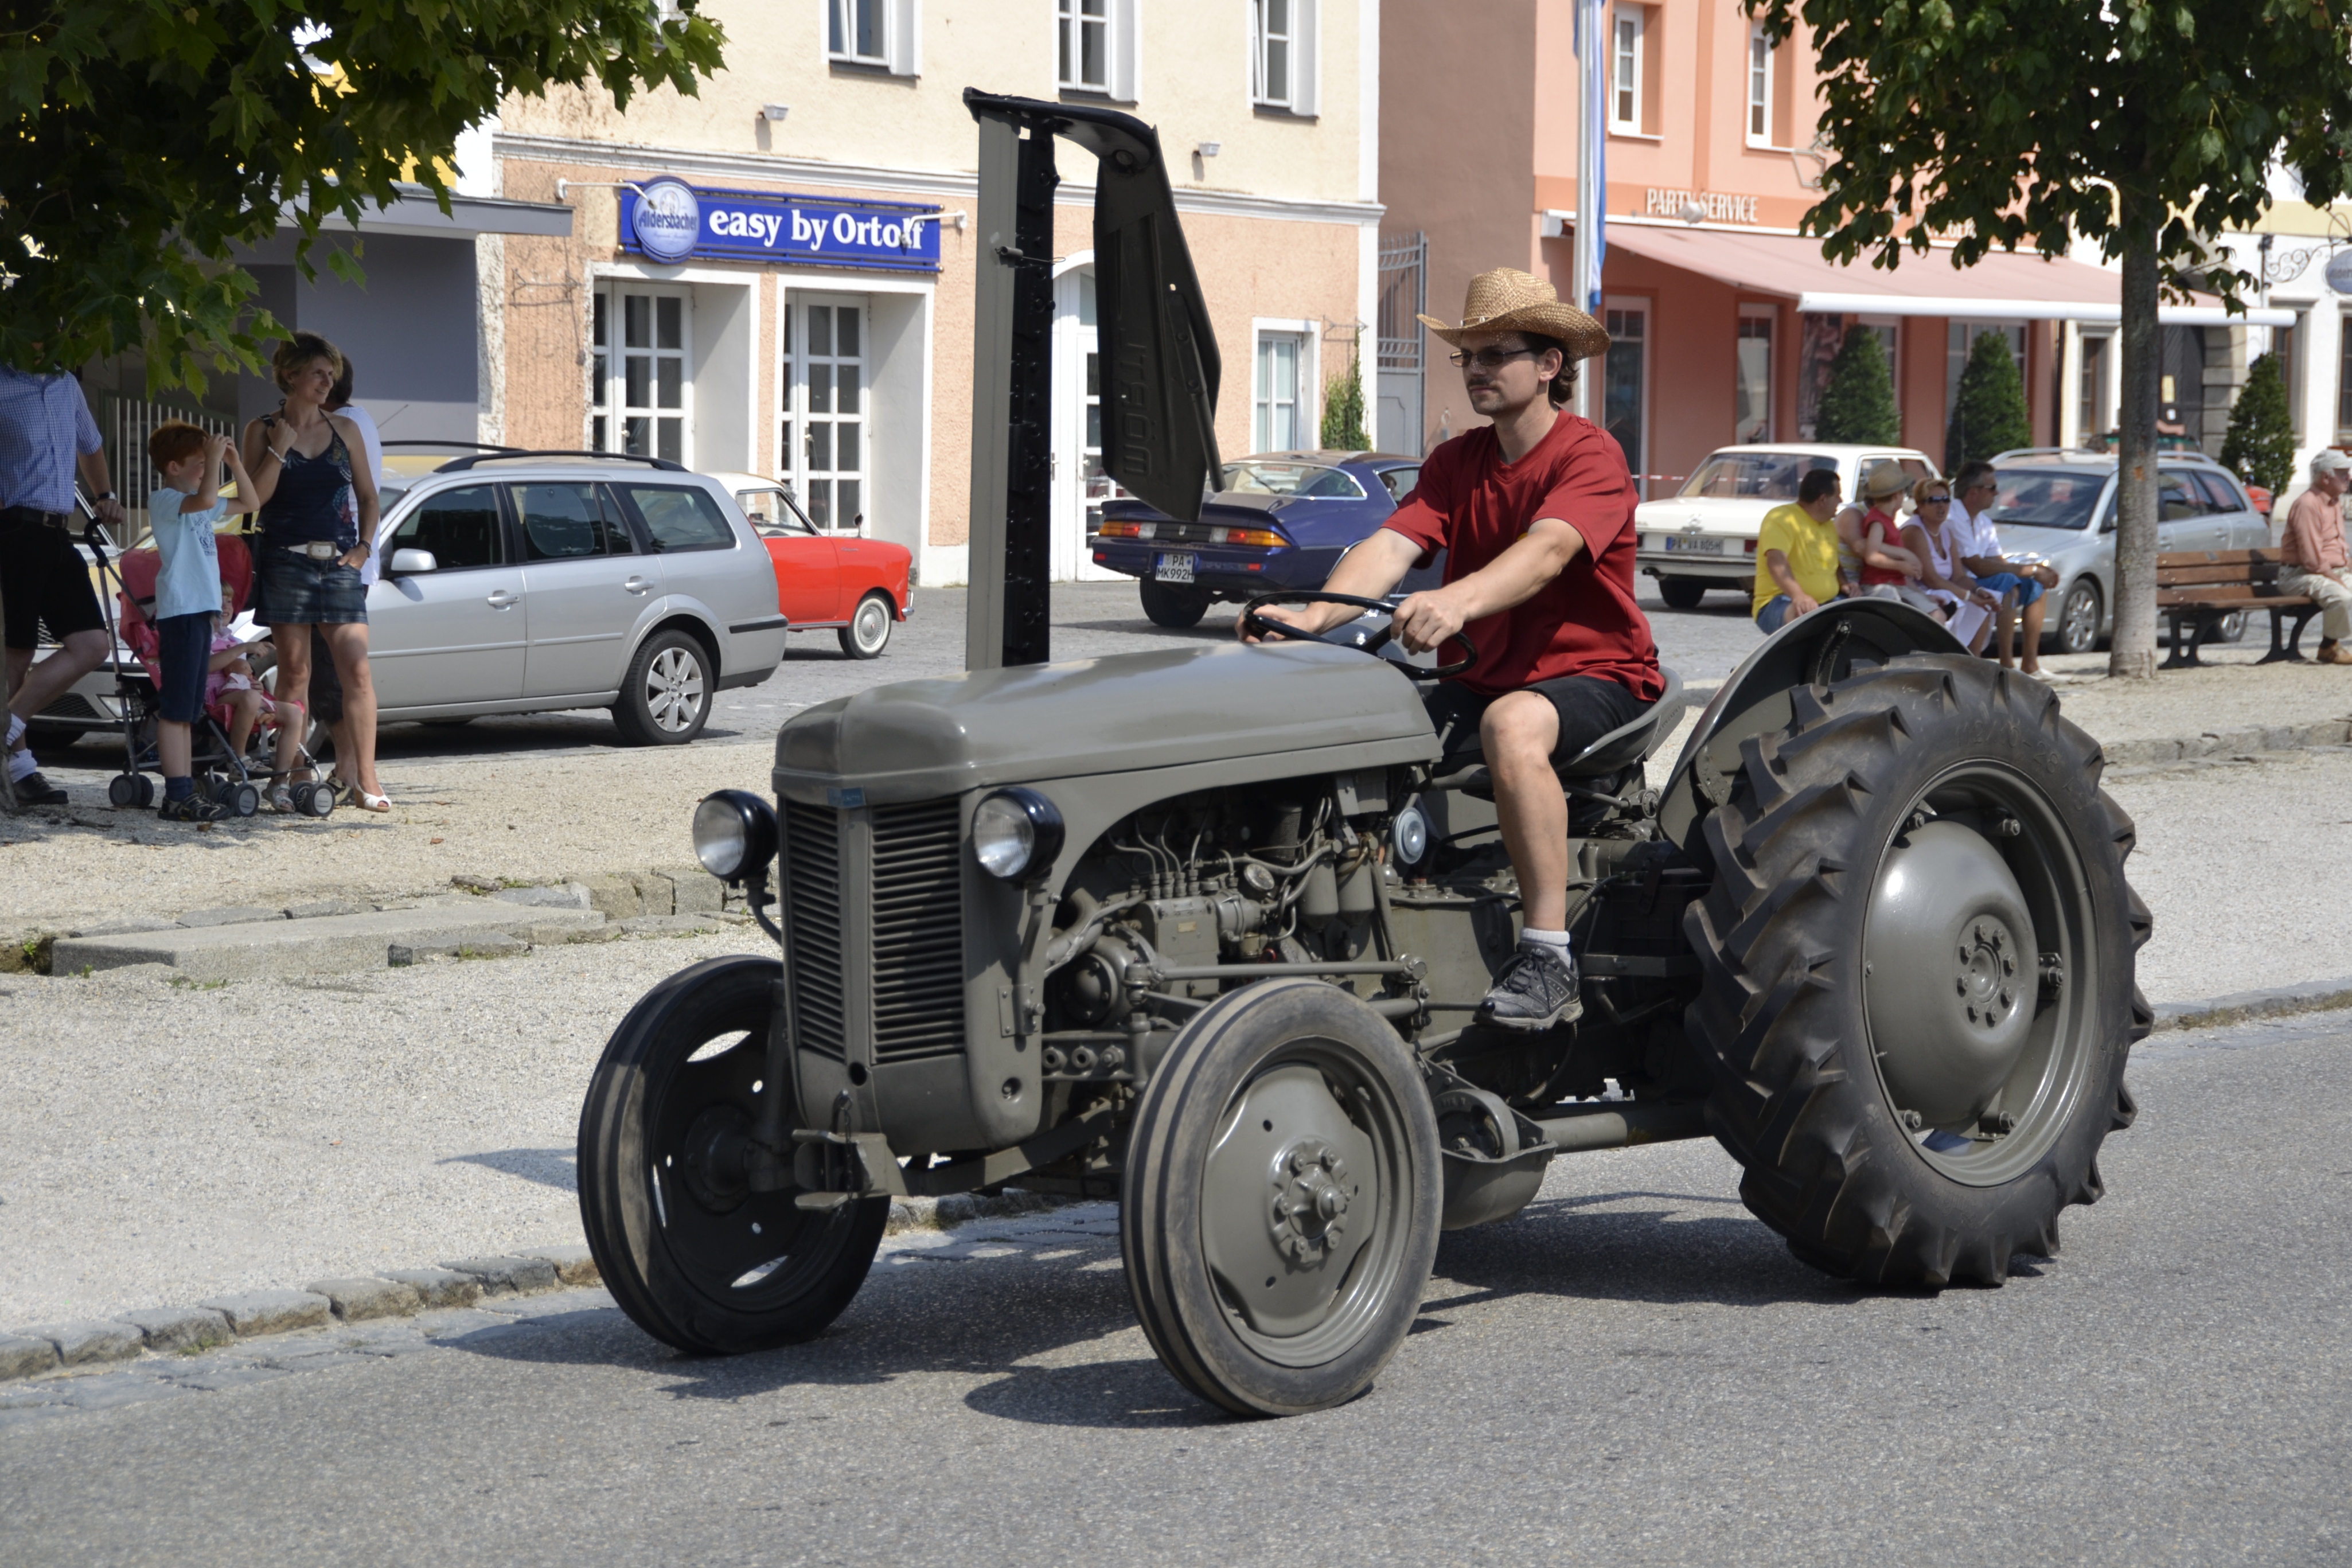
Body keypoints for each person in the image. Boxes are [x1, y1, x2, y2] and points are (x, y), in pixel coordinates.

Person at [1242, 267, 1662, 1031]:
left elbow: (1546, 554)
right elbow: (1391, 544)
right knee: (1358, 721)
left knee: (1513, 724)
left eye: (1494, 354)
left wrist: (1455, 599)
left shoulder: (1589, 457)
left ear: (1548, 366)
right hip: (1489, 677)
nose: (1475, 370)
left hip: (1598, 678)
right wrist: (1308, 619)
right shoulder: (1455, 462)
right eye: (1466, 356)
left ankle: (1546, 952)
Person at [239, 333, 388, 810]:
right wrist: (280, 450)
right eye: (319, 373)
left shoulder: (346, 428)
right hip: (285, 561)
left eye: (332, 374)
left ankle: (367, 779)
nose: (329, 382)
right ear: (291, 375)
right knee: (296, 671)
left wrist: (364, 549)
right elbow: (253, 500)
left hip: (340, 563)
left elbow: (368, 497)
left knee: (357, 669)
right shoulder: (261, 429)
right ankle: (291, 773)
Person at [0, 364, 128, 806]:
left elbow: (90, 445)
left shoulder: (65, 382)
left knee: (93, 644)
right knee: (16, 650)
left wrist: (105, 495)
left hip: (58, 531)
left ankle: (9, 724)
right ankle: (19, 769)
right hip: (13, 527)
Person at [146, 424, 263, 821]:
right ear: (174, 466)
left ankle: (184, 791)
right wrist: (214, 462)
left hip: (199, 614)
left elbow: (250, 501)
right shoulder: (165, 500)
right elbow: (209, 496)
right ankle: (177, 794)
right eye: (197, 464)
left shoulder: (199, 501)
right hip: (179, 613)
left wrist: (232, 462)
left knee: (188, 708)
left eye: (205, 464)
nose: (203, 470)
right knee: (176, 709)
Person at [1949, 461, 2057, 673]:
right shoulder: (1954, 517)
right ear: (1973, 492)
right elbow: (1976, 565)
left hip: (1978, 579)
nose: (1997, 493)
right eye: (1992, 488)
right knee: (2009, 582)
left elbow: (1998, 561)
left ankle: (2031, 666)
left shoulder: (1983, 522)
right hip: (1961, 581)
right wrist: (2032, 570)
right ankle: (2007, 665)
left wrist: (2032, 574)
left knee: (2034, 586)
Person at [1902, 478, 1997, 656]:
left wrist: (1978, 592)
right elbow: (1931, 580)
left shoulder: (1946, 531)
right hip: (1919, 592)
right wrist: (1969, 596)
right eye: (1934, 501)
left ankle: (1974, 665)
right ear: (1920, 506)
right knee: (1952, 599)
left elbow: (1959, 576)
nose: (1942, 506)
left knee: (1982, 605)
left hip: (1944, 590)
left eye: (1946, 500)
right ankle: (1948, 659)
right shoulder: (1914, 531)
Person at [2279, 448, 2352, 666]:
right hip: (2298, 575)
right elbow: (2312, 560)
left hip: (2328, 571)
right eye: (2343, 473)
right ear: (2325, 477)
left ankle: (2333, 644)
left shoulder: (2335, 501)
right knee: (2342, 596)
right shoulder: (2308, 504)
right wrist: (2338, 579)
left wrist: (2346, 567)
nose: (2348, 477)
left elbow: (2338, 548)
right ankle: (2329, 648)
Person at [1754, 467, 1846, 633]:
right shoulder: (1782, 518)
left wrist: (1845, 583)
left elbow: (1834, 562)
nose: (1841, 500)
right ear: (1823, 500)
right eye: (1837, 495)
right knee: (1805, 617)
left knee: (1862, 616)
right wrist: (1798, 596)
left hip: (1827, 601)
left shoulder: (1829, 524)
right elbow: (1776, 561)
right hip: (1781, 601)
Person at [1850, 462, 1941, 615]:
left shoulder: (1887, 519)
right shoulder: (1878, 521)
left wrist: (1923, 595)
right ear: (1897, 495)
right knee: (1898, 616)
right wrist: (1900, 565)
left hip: (1896, 584)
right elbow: (1871, 556)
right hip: (1877, 585)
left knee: (1937, 615)